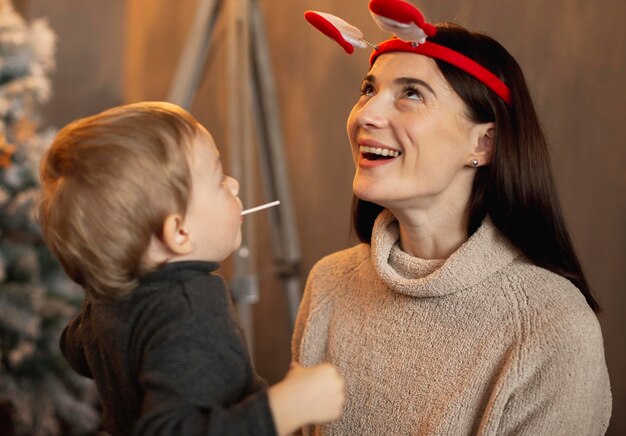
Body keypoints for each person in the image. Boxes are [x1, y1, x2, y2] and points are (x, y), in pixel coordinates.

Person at [292, 3, 612, 435]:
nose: (365, 115)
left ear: (482, 143)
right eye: (368, 89)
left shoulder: (551, 324)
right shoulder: (329, 282)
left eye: (411, 93)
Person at [37, 101, 345, 436]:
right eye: (218, 178)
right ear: (180, 232)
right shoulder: (191, 309)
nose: (234, 185)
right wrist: (287, 406)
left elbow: (75, 348)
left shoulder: (108, 300)